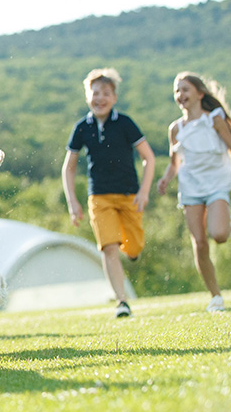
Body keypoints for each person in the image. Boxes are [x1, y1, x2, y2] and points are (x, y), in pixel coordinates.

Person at [156, 72, 231, 313]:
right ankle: (216, 297)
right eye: (177, 91)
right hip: (190, 188)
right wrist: (165, 178)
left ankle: (225, 220)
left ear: (200, 94)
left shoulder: (214, 120)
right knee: (199, 242)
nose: (181, 95)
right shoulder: (176, 129)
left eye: (185, 89)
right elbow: (174, 162)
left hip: (216, 185)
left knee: (219, 235)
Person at [62, 68, 156, 318]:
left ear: (114, 97)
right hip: (99, 197)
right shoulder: (82, 127)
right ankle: (122, 302)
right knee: (109, 248)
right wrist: (73, 202)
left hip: (129, 196)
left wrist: (144, 192)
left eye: (105, 93)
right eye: (95, 93)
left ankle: (132, 253)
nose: (100, 98)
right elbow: (69, 168)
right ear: (87, 97)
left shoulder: (125, 123)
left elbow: (148, 157)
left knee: (133, 247)